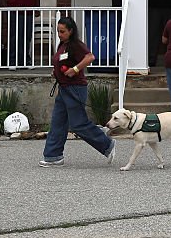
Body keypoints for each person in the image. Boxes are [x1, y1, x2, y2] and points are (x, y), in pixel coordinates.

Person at [40, 17, 117, 167]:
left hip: (75, 88)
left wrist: (75, 69)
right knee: (58, 122)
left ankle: (107, 144)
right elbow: (61, 62)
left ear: (71, 31)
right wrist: (55, 71)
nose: (59, 34)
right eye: (58, 31)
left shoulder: (76, 45)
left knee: (78, 124)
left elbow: (90, 57)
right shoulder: (62, 45)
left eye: (62, 31)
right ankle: (53, 156)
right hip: (63, 88)